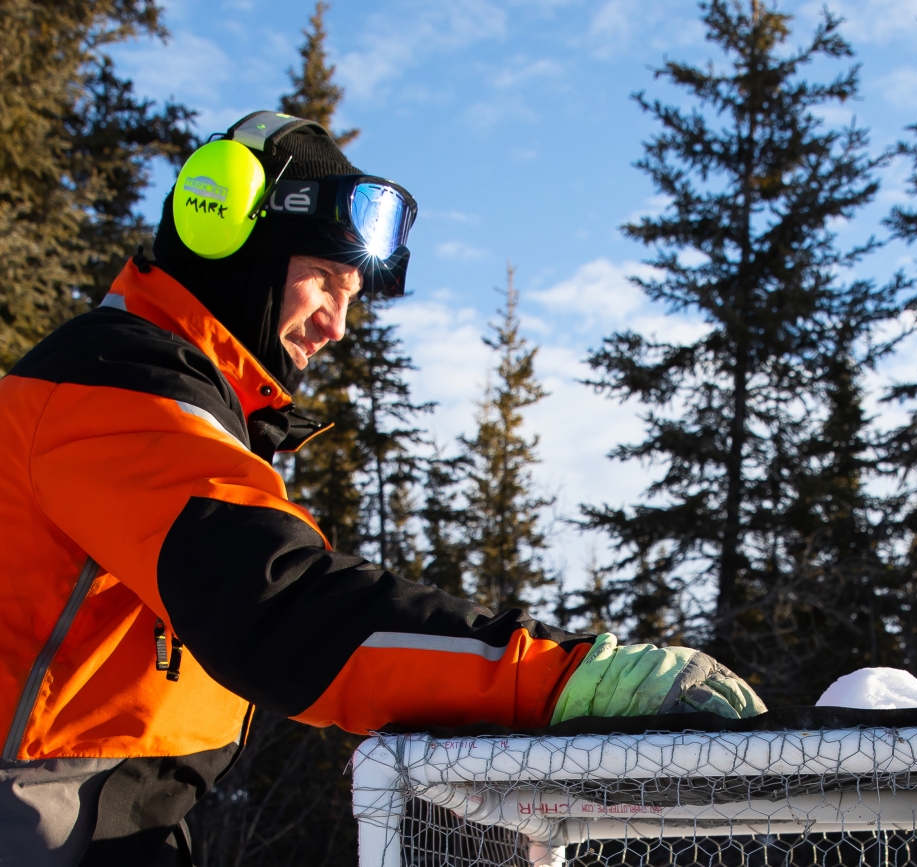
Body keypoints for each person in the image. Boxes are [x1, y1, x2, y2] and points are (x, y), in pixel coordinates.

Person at [0, 111, 763, 866]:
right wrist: (558, 679)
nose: (336, 323)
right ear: (226, 232)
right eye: (324, 279)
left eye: (352, 293)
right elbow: (284, 604)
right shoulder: (106, 391)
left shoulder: (166, 401)